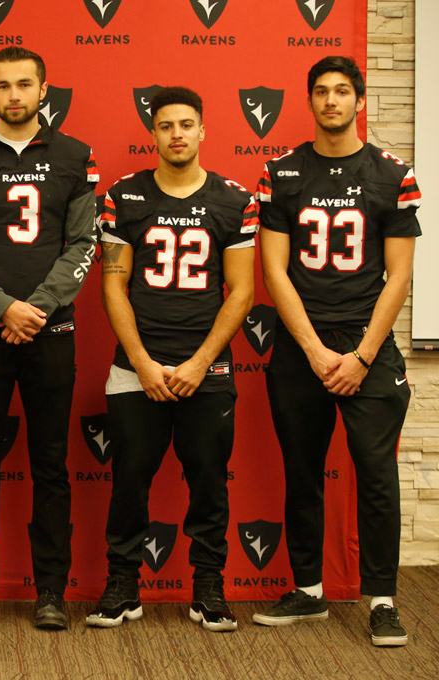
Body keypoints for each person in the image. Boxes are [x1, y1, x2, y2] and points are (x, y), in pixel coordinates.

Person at [254, 56, 419, 647]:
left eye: (342, 91)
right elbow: (273, 270)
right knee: (302, 472)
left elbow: (398, 277)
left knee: (376, 474)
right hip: (304, 343)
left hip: (366, 343)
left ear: (360, 100)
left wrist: (362, 357)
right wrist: (315, 351)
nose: (331, 101)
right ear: (309, 101)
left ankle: (382, 598)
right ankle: (309, 591)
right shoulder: (283, 173)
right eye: (321, 91)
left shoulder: (391, 173)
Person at [0, 46, 97, 631]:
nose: (13, 95)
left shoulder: (75, 156)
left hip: (51, 330)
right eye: (2, 86)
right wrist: (4, 306)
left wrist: (38, 307)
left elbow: (83, 244)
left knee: (51, 464)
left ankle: (50, 590)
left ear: (43, 87)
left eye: (24, 84)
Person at [88, 86, 256, 633]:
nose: (177, 134)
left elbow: (241, 292)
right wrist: (140, 362)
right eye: (166, 125)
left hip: (206, 369)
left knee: (209, 479)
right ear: (153, 132)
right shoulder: (125, 196)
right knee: (130, 479)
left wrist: (200, 364)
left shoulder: (234, 199)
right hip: (136, 366)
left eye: (187, 124)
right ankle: (123, 585)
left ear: (203, 130)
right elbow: (114, 286)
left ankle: (208, 584)